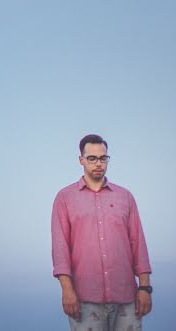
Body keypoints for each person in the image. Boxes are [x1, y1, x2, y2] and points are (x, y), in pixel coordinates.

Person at [51, 134, 152, 330]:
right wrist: (66, 290)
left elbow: (138, 242)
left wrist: (145, 288)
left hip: (127, 298)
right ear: (81, 160)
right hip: (84, 299)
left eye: (103, 158)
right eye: (92, 158)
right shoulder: (64, 198)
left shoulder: (125, 197)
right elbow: (60, 247)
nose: (98, 163)